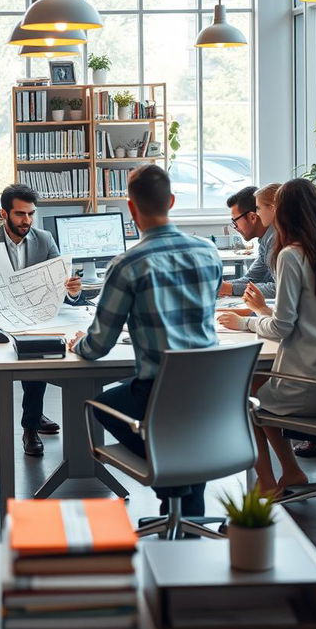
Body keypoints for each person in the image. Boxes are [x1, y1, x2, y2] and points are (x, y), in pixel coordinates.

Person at [69, 165, 221, 518]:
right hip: (212, 390)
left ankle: (173, 480)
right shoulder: (208, 252)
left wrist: (78, 343)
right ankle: (184, 497)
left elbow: (98, 346)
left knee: (99, 404)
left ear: (130, 208)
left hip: (158, 391)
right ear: (171, 201)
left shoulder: (128, 264)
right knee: (178, 431)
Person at [217, 179, 316, 495]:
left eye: (265, 208)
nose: (260, 212)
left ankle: (267, 484)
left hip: (309, 388)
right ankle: (292, 471)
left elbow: (282, 329)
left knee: (239, 394)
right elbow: (305, 319)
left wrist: (244, 324)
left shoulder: (291, 255)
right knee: (256, 382)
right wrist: (263, 311)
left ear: (282, 212)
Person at [0, 184, 83, 458]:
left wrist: (72, 292)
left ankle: (30, 426)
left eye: (31, 213)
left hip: (36, 315)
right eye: (20, 214)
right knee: (11, 354)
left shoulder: (44, 240)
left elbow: (59, 287)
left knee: (38, 353)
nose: (27, 221)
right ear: (3, 214)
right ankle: (32, 419)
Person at [218, 185, 277, 299]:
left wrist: (229, 288)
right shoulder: (265, 241)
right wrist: (223, 286)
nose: (234, 227)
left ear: (252, 217)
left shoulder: (276, 240)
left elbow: (278, 289)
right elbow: (252, 278)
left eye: (235, 221)